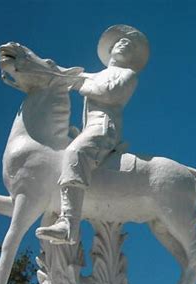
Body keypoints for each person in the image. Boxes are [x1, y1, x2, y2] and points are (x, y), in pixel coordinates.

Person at [36, 25, 149, 245]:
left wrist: (81, 84)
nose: (124, 44)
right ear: (111, 49)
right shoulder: (96, 74)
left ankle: (68, 225)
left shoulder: (128, 75)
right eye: (121, 42)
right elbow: (64, 73)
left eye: (130, 46)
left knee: (75, 152)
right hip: (88, 128)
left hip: (104, 129)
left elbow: (109, 93)